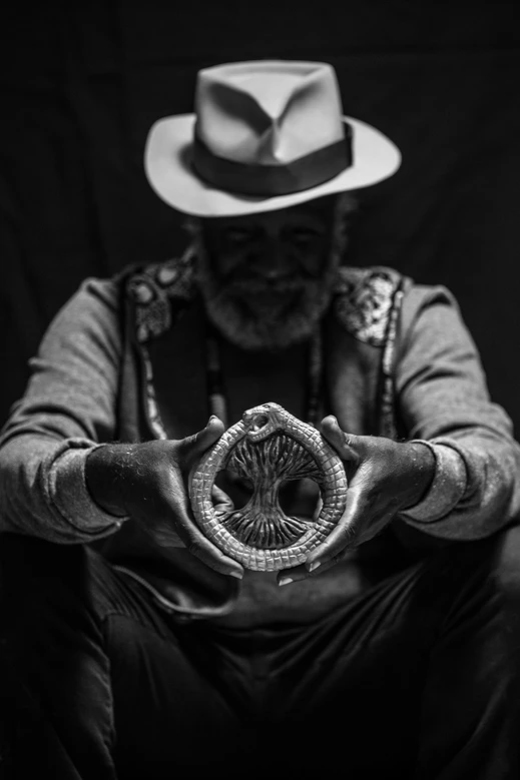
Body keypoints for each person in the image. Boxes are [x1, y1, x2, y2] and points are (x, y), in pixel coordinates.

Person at [0, 59, 520, 780]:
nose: (273, 266)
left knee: (512, 562)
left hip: (360, 666)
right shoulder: (113, 314)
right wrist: (112, 480)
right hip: (169, 663)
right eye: (244, 236)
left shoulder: (408, 315)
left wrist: (420, 475)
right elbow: (19, 465)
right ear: (197, 226)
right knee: (21, 562)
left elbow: (492, 460)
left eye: (301, 237)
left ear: (341, 227)